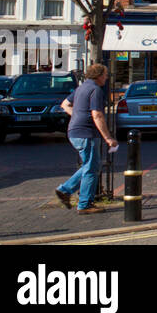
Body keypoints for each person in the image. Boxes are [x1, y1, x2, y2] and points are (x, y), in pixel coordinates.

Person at [55, 64, 117, 214]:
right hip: (86, 133)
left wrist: (76, 115)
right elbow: (97, 114)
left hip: (75, 132)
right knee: (91, 168)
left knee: (91, 165)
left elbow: (65, 104)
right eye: (105, 74)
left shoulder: (81, 88)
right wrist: (108, 137)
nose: (106, 77)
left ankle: (65, 190)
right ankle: (84, 204)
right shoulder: (95, 90)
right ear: (98, 75)